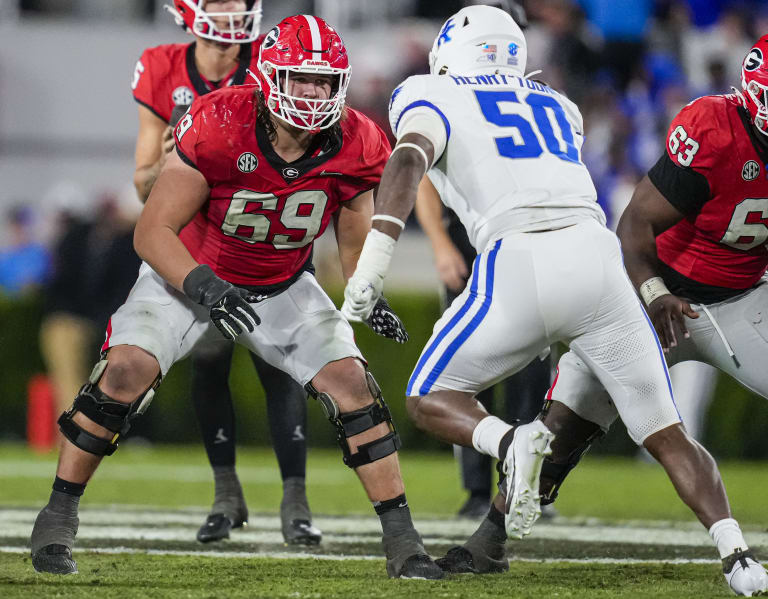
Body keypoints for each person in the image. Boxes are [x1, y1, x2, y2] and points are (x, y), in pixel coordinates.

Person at [341, 6, 767, 595]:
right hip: (602, 261)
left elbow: (409, 157)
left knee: (427, 396)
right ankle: (737, 555)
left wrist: (375, 261)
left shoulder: (428, 90)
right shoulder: (558, 106)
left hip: (523, 258)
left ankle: (512, 441)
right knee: (665, 431)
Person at [29, 14, 443, 580]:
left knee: (353, 387)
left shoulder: (358, 139)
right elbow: (152, 232)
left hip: (282, 283)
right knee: (123, 373)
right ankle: (57, 516)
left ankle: (403, 541)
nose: (314, 93)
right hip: (188, 280)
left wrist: (365, 290)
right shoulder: (221, 121)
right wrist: (203, 284)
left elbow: (352, 225)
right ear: (271, 77)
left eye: (324, 82)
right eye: (301, 79)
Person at [517, 35, 768, 595]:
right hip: (655, 295)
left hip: (742, 297)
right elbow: (634, 226)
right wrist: (654, 292)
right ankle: (494, 530)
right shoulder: (713, 126)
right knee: (563, 423)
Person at [132, 0, 320, 545]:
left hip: (271, 238)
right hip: (205, 250)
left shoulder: (273, 57)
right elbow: (142, 184)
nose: (229, 31)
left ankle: (295, 501)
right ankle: (226, 494)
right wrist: (170, 163)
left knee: (281, 369)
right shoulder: (163, 67)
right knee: (210, 364)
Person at [414, 176, 550, 518]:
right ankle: (477, 490)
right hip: (470, 255)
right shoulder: (462, 125)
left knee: (532, 378)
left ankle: (524, 484)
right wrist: (440, 243)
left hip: (524, 252)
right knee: (465, 378)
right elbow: (427, 181)